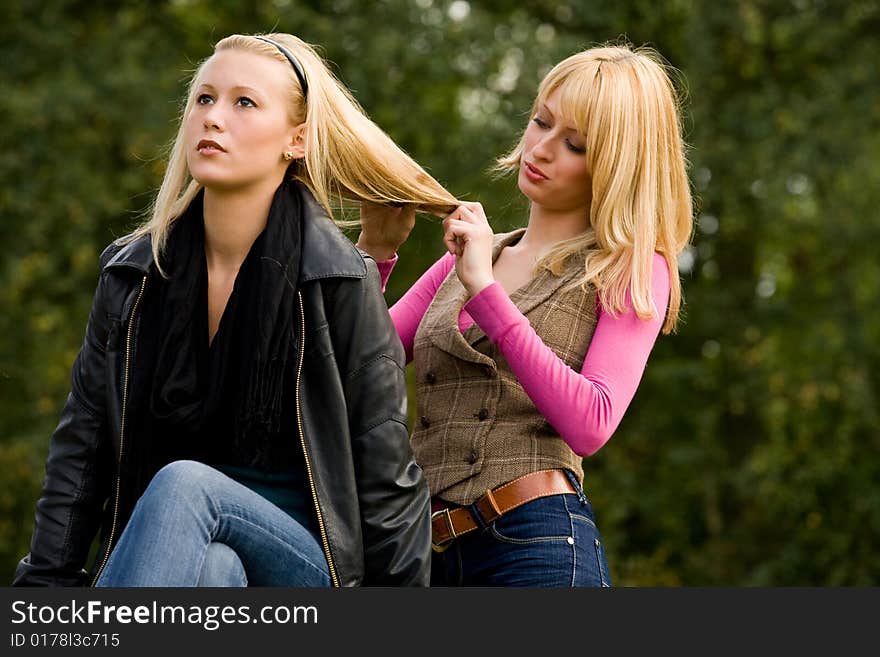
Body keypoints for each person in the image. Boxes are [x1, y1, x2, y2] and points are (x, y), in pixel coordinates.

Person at [13, 32, 459, 588]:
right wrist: (46, 587)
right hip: (177, 556)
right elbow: (81, 451)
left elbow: (385, 468)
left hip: (304, 564)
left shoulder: (338, 280)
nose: (213, 118)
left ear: (296, 140)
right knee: (215, 569)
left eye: (243, 102)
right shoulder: (131, 277)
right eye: (204, 99)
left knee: (186, 485)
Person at [357, 44, 693, 586]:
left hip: (534, 546)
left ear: (615, 167)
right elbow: (358, 367)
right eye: (540, 120)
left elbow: (592, 422)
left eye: (575, 143)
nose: (541, 147)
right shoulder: (468, 261)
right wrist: (374, 254)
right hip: (417, 553)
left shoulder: (630, 268)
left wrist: (485, 292)